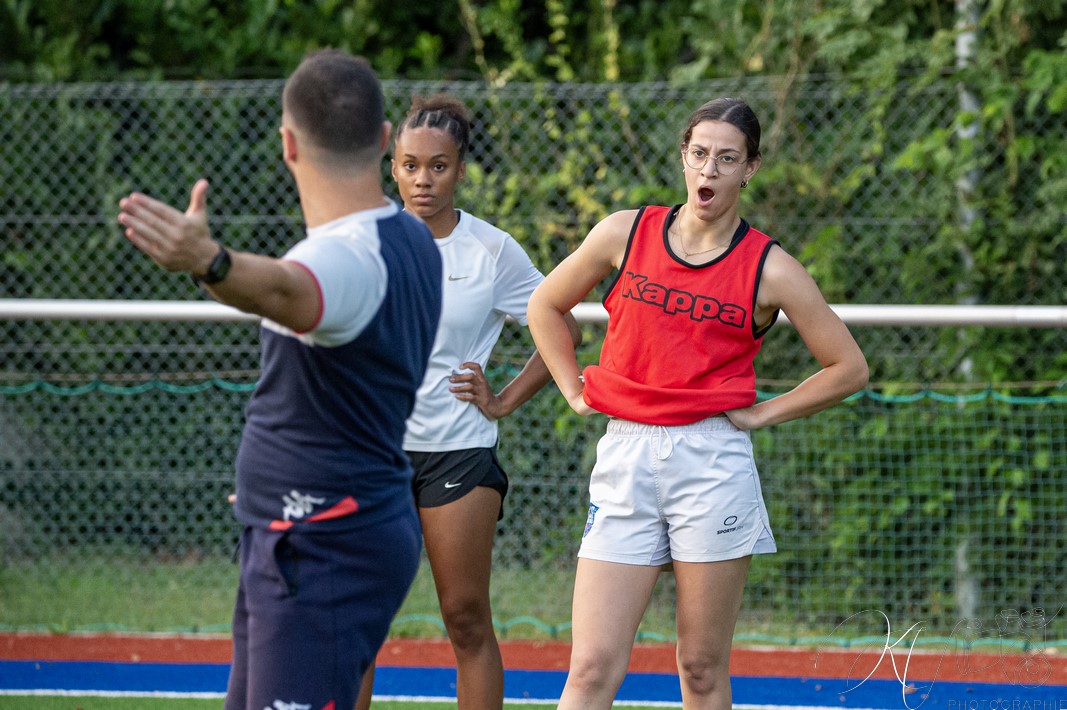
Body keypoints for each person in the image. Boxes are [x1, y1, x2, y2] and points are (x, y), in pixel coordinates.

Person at [117, 49, 443, 710]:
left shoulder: (339, 259)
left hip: (322, 540)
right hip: (312, 532)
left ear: (287, 144)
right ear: (384, 141)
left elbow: (293, 292)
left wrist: (208, 259)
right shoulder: (409, 237)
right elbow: (289, 301)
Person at [526, 97, 869, 709]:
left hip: (711, 462)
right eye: (700, 154)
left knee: (701, 668)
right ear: (684, 157)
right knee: (590, 668)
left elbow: (848, 368)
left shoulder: (771, 267)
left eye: (727, 158)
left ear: (751, 168)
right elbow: (544, 305)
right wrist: (574, 391)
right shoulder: (623, 232)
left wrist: (765, 412)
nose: (710, 170)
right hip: (625, 455)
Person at [354, 94, 582, 710]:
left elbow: (563, 326)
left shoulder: (492, 250)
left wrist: (503, 399)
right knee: (356, 624)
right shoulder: (363, 239)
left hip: (459, 452)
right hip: (374, 454)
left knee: (465, 618)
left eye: (438, 165)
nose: (422, 179)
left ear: (460, 169)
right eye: (408, 164)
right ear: (391, 166)